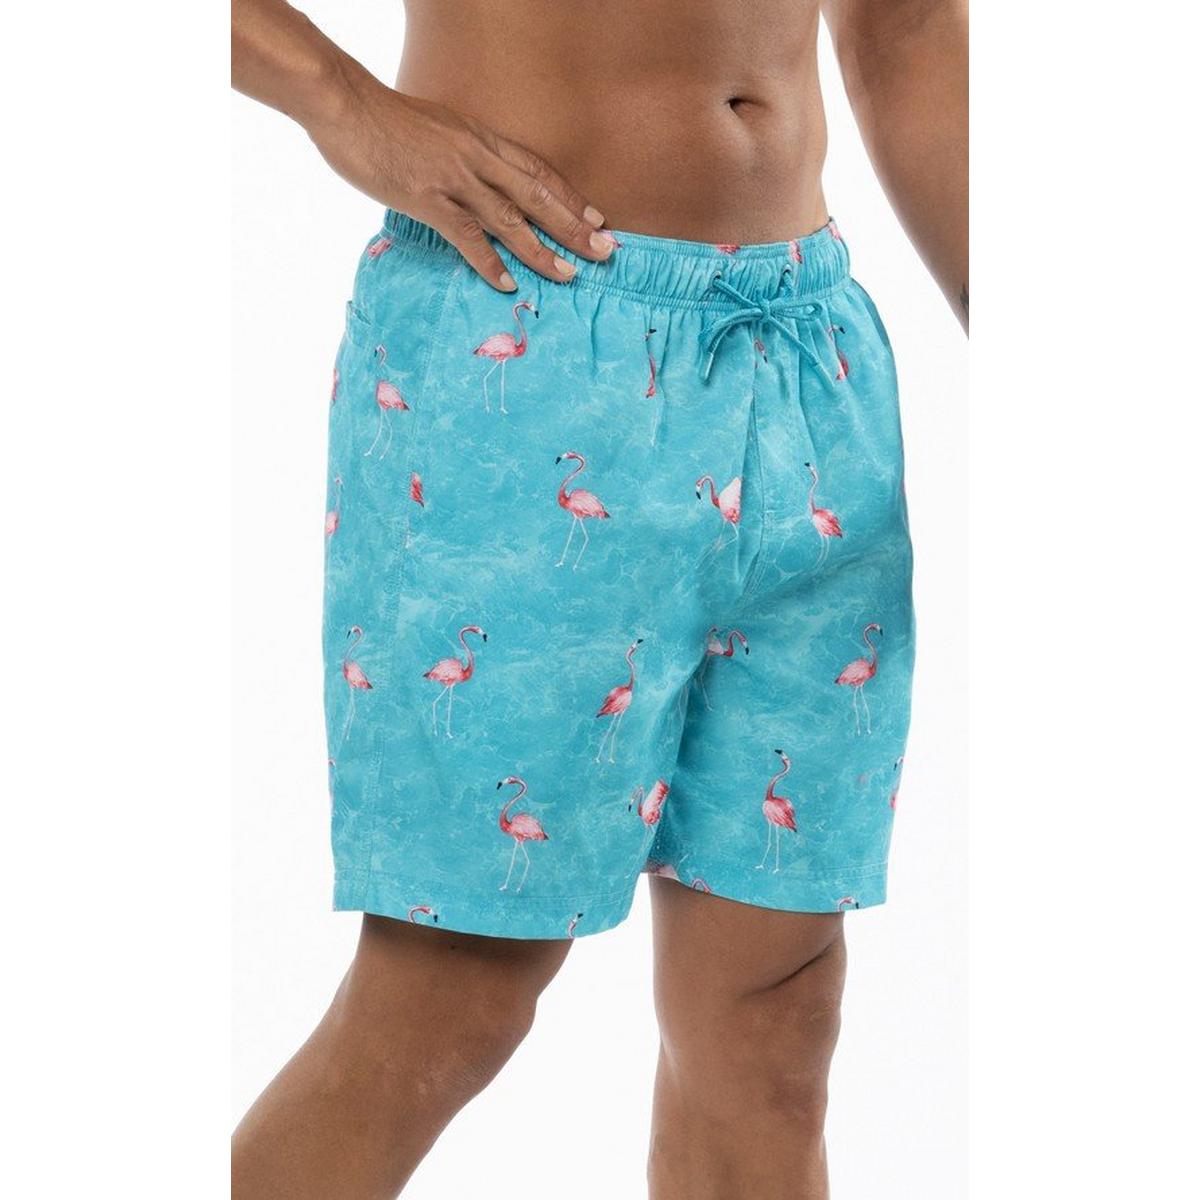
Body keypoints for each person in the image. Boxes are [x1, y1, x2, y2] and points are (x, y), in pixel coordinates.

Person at [231, 1, 967, 1196]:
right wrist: (340, 101)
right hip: (529, 329)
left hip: (810, 359)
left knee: (773, 1024)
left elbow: (908, 29)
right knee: (447, 1000)